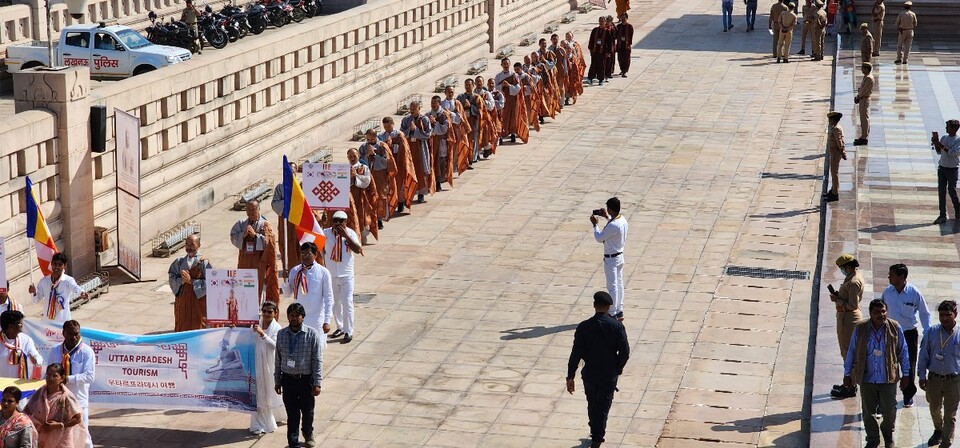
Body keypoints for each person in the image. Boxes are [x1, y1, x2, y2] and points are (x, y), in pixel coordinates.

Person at [842, 299, 909, 448]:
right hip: (867, 379)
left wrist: (906, 375)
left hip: (888, 379)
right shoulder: (860, 328)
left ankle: (888, 438)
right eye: (877, 312)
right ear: (870, 313)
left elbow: (903, 352)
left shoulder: (895, 327)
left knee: (890, 412)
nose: (881, 315)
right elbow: (851, 351)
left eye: (883, 311)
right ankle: (872, 439)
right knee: (868, 412)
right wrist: (847, 374)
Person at [566, 291, 629, 448]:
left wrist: (570, 376)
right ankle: (597, 438)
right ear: (608, 307)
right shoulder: (617, 326)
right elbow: (625, 352)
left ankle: (596, 433)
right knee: (603, 406)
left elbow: (576, 354)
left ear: (594, 306)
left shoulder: (584, 327)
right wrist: (618, 367)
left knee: (592, 403)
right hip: (608, 374)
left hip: (590, 374)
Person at [880, 264, 930, 408]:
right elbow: (879, 310)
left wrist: (926, 334)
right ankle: (884, 399)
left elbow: (924, 313)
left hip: (908, 334)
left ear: (901, 277)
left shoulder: (914, 292)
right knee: (887, 364)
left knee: (909, 365)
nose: (889, 277)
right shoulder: (887, 292)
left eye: (892, 275)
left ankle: (908, 396)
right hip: (889, 333)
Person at [274, 303, 322, 448]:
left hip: (306, 380)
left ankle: (308, 434)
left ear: (303, 317)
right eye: (291, 315)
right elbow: (278, 359)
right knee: (292, 414)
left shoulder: (312, 334)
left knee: (307, 412)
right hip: (288, 380)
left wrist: (317, 382)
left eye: (297, 315)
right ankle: (293, 442)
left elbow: (317, 360)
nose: (294, 318)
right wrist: (277, 381)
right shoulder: (281, 334)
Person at [919, 300, 960, 448]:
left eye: (948, 315)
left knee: (950, 415)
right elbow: (923, 355)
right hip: (934, 379)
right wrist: (921, 376)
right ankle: (938, 430)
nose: (944, 318)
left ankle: (946, 443)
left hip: (954, 380)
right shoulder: (932, 332)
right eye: (941, 315)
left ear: (955, 314)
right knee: (934, 409)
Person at [47, 321, 94, 448]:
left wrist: (68, 379)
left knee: (83, 436)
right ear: (63, 334)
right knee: (61, 436)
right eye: (70, 334)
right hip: (58, 401)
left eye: (76, 334)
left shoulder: (86, 352)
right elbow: (49, 371)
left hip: (78, 400)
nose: (74, 337)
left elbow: (90, 376)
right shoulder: (55, 350)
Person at [24, 363, 87, 448]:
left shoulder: (66, 397)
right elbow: (27, 412)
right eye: (48, 375)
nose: (51, 378)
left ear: (62, 378)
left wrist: (60, 425)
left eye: (55, 376)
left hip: (62, 438)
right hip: (42, 438)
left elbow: (77, 418)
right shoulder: (40, 393)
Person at [230, 200, 280, 303]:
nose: (250, 212)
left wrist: (255, 236)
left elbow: (270, 243)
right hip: (244, 262)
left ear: (258, 209)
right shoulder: (241, 223)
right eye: (248, 210)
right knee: (243, 287)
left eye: (253, 210)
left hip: (259, 263)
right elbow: (233, 236)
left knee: (258, 287)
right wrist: (242, 236)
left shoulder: (264, 224)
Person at [323, 211, 362, 344]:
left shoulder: (350, 233)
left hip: (346, 274)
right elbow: (316, 242)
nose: (338, 224)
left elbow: (358, 249)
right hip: (332, 274)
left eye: (341, 221)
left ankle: (348, 330)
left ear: (346, 222)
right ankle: (340, 326)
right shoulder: (327, 233)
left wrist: (345, 236)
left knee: (347, 302)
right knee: (334, 303)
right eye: (335, 221)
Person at [830, 254, 865, 399]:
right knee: (847, 352)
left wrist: (837, 300)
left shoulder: (854, 282)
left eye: (842, 268)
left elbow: (852, 305)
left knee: (848, 352)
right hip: (845, 316)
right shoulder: (852, 277)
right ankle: (849, 381)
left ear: (848, 267)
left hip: (849, 319)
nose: (842, 271)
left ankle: (850, 385)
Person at [250, 301, 286, 435]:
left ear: (275, 313)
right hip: (257, 363)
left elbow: (275, 346)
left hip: (269, 364)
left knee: (269, 393)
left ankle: (272, 419)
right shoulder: (256, 324)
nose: (266, 314)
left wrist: (262, 334)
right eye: (264, 311)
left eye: (269, 312)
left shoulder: (277, 328)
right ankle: (258, 423)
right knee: (259, 393)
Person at [590, 198, 628, 321]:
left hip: (611, 258)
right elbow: (612, 228)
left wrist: (595, 225)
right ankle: (619, 309)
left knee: (612, 286)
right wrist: (606, 217)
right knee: (619, 284)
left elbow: (599, 238)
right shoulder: (622, 220)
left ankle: (612, 312)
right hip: (619, 255)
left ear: (611, 209)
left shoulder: (613, 224)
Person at [284, 242, 333, 335]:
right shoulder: (295, 271)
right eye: (303, 254)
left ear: (315, 254)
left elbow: (329, 298)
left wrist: (327, 320)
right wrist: (286, 280)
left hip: (316, 318)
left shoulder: (323, 272)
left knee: (317, 347)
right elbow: (287, 294)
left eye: (308, 254)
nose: (305, 256)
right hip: (298, 319)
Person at [168, 234, 211, 332]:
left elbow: (211, 282)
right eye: (187, 244)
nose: (189, 247)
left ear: (199, 245)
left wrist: (192, 281)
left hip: (198, 300)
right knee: (183, 324)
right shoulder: (179, 262)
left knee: (198, 325)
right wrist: (182, 280)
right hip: (183, 300)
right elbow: (172, 277)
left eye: (192, 244)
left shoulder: (204, 263)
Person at [29, 253, 86, 323]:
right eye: (55, 264)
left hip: (63, 322)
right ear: (51, 264)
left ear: (64, 266)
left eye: (60, 265)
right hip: (48, 322)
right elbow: (35, 300)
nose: (56, 267)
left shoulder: (67, 281)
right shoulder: (44, 281)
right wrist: (34, 292)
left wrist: (82, 292)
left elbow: (75, 288)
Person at [379, 116, 418, 213]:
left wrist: (393, 145)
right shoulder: (381, 136)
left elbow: (404, 148)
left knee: (400, 184)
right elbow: (379, 148)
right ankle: (391, 203)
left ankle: (401, 203)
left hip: (399, 162)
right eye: (385, 127)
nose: (387, 129)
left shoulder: (399, 135)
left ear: (393, 124)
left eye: (388, 127)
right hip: (388, 164)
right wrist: (385, 145)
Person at [271, 162, 302, 275]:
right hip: (286, 222)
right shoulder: (280, 187)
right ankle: (289, 272)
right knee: (287, 246)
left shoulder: (302, 185)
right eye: (288, 171)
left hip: (299, 221)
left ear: (296, 171)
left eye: (292, 170)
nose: (290, 173)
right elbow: (275, 204)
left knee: (301, 245)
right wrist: (288, 202)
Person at [362, 129, 397, 230]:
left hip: (379, 174)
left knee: (380, 196)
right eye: (368, 139)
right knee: (369, 196)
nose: (370, 141)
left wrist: (374, 155)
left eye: (372, 139)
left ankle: (380, 219)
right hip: (368, 174)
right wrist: (367, 155)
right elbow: (360, 160)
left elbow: (386, 162)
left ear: (375, 137)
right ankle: (370, 219)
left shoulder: (382, 146)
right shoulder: (363, 147)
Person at [400, 101, 434, 203]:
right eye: (411, 109)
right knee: (410, 170)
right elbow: (402, 133)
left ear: (419, 109)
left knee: (421, 170)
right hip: (410, 148)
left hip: (421, 148)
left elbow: (428, 134)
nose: (412, 111)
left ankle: (421, 193)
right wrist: (409, 130)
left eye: (414, 109)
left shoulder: (425, 119)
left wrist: (415, 131)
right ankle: (410, 192)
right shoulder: (406, 120)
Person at [346, 148, 378, 244]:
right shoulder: (343, 168)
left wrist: (356, 176)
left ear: (359, 155)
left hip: (360, 196)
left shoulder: (363, 167)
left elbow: (367, 181)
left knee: (361, 216)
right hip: (348, 197)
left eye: (354, 156)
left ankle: (362, 237)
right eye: (350, 156)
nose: (352, 158)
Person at [933, 120, 960, 225]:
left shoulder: (958, 140)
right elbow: (939, 151)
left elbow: (952, 153)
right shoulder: (944, 138)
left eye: (948, 127)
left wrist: (939, 144)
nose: (946, 128)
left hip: (952, 169)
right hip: (942, 168)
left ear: (954, 128)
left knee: (952, 191)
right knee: (941, 192)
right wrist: (936, 144)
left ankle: (957, 211)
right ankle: (942, 215)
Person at [0, 311, 41, 379]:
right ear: (11, 327)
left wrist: (36, 359)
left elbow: (35, 354)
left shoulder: (25, 340)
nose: (22, 326)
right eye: (20, 324)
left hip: (19, 384)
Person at [426, 96, 454, 191]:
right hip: (431, 142)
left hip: (441, 142)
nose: (432, 104)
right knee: (432, 162)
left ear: (439, 103)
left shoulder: (444, 114)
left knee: (440, 162)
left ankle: (439, 181)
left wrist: (435, 123)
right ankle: (433, 182)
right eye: (431, 102)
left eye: (435, 102)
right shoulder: (427, 115)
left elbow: (445, 128)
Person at [824, 111, 845, 202]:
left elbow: (839, 141)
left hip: (836, 153)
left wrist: (842, 152)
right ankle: (833, 190)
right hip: (834, 153)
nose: (829, 121)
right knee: (833, 172)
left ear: (833, 120)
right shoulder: (835, 127)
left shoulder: (836, 129)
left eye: (830, 119)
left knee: (834, 173)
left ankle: (835, 193)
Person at [853, 62, 875, 146]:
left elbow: (864, 90)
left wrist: (858, 97)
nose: (862, 70)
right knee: (863, 118)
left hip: (864, 99)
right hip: (863, 99)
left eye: (863, 68)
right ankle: (863, 136)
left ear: (866, 69)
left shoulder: (869, 78)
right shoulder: (866, 77)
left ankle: (864, 137)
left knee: (864, 119)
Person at [587, 17, 610, 85]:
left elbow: (609, 42)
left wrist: (608, 52)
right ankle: (590, 78)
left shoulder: (607, 31)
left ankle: (601, 79)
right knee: (593, 64)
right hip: (595, 50)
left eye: (602, 21)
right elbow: (591, 40)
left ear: (605, 22)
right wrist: (590, 48)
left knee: (601, 65)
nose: (601, 23)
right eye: (600, 21)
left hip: (602, 51)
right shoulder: (595, 30)